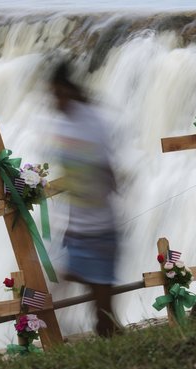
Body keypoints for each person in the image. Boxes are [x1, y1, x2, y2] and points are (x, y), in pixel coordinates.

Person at [49, 61, 120, 338]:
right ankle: (47, 329)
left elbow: (106, 173)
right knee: (67, 283)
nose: (53, 101)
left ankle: (46, 330)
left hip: (99, 227)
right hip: (79, 225)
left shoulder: (91, 123)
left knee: (102, 310)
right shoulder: (69, 123)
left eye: (56, 94)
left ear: (66, 91)